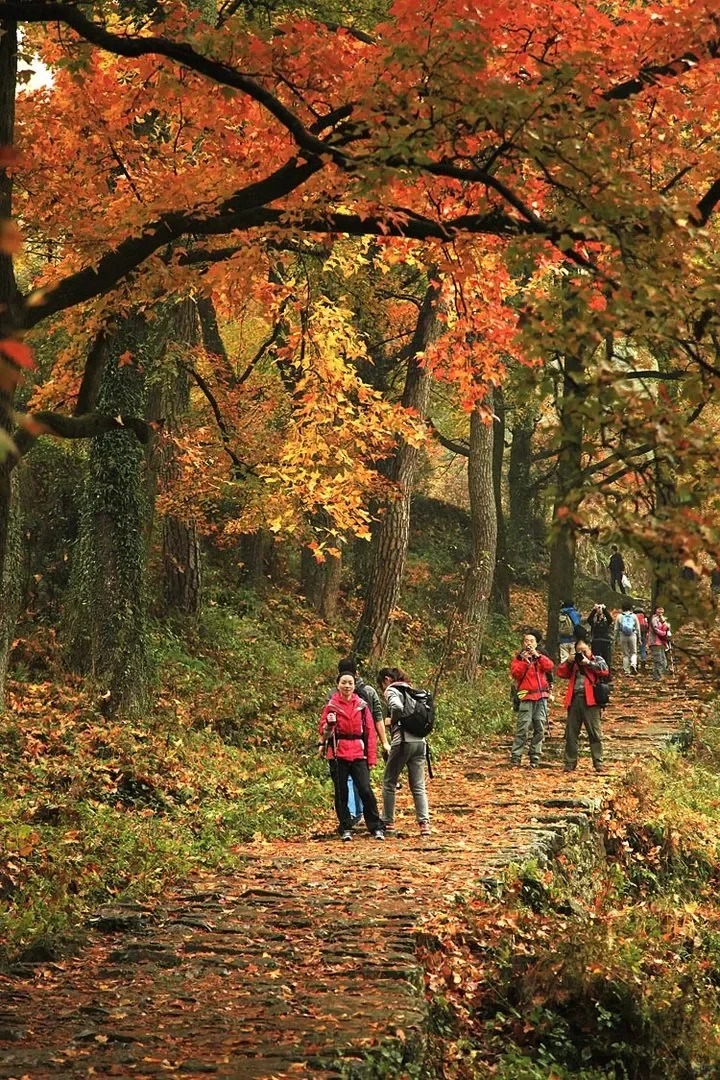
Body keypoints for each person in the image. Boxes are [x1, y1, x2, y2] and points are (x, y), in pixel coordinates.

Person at [319, 673, 385, 841]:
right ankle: (346, 826)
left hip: (358, 753)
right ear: (338, 685)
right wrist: (329, 723)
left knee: (365, 789)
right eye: (343, 683)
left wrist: (371, 758)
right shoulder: (332, 705)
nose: (347, 686)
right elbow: (323, 731)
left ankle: (376, 826)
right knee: (341, 792)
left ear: (355, 686)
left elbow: (370, 733)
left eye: (350, 683)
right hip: (338, 753)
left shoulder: (362, 706)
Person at [377, 667, 431, 837]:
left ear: (386, 679)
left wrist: (391, 720)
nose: (382, 689)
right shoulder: (411, 689)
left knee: (389, 781)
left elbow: (397, 707)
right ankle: (424, 824)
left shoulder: (392, 690)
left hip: (403, 743)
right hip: (420, 743)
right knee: (418, 785)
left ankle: (388, 822)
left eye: (381, 685)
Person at [335, 658, 388, 825]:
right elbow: (378, 718)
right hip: (363, 742)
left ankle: (353, 815)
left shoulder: (334, 694)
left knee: (348, 782)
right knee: (363, 783)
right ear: (357, 672)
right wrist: (384, 741)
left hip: (345, 745)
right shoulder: (370, 691)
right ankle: (362, 814)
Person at [557, 638, 609, 773]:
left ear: (589, 648)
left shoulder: (597, 659)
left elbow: (605, 671)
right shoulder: (574, 664)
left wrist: (588, 663)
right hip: (574, 700)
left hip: (591, 700)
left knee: (594, 733)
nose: (581, 653)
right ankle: (570, 763)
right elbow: (560, 673)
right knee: (571, 733)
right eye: (578, 651)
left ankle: (598, 762)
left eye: (584, 650)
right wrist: (569, 661)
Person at [509, 632, 554, 768]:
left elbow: (549, 667)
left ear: (536, 644)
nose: (529, 643)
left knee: (539, 727)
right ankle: (516, 757)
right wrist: (525, 662)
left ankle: (535, 756)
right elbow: (516, 674)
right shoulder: (518, 659)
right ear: (523, 644)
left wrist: (537, 656)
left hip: (541, 696)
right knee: (523, 727)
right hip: (526, 696)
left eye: (532, 641)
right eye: (526, 641)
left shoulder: (540, 657)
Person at [613, 601, 641, 675]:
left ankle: (626, 671)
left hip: (623, 635)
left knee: (625, 654)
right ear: (630, 608)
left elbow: (616, 629)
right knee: (634, 652)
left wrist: (615, 639)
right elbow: (638, 628)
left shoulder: (619, 616)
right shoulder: (634, 616)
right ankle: (633, 664)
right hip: (632, 635)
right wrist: (639, 638)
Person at [648, 605, 672, 682]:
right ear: (655, 610)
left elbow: (666, 627)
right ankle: (657, 676)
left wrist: (664, 623)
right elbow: (655, 630)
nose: (661, 611)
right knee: (658, 660)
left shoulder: (661, 619)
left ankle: (660, 675)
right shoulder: (654, 619)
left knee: (663, 660)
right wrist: (664, 634)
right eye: (659, 609)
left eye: (662, 609)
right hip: (655, 642)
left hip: (661, 642)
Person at [587, 603, 613, 668]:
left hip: (605, 642)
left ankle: (606, 674)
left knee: (606, 660)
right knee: (596, 659)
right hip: (596, 642)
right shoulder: (594, 622)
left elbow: (610, 619)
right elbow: (589, 619)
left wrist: (604, 609)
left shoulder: (606, 622)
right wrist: (594, 610)